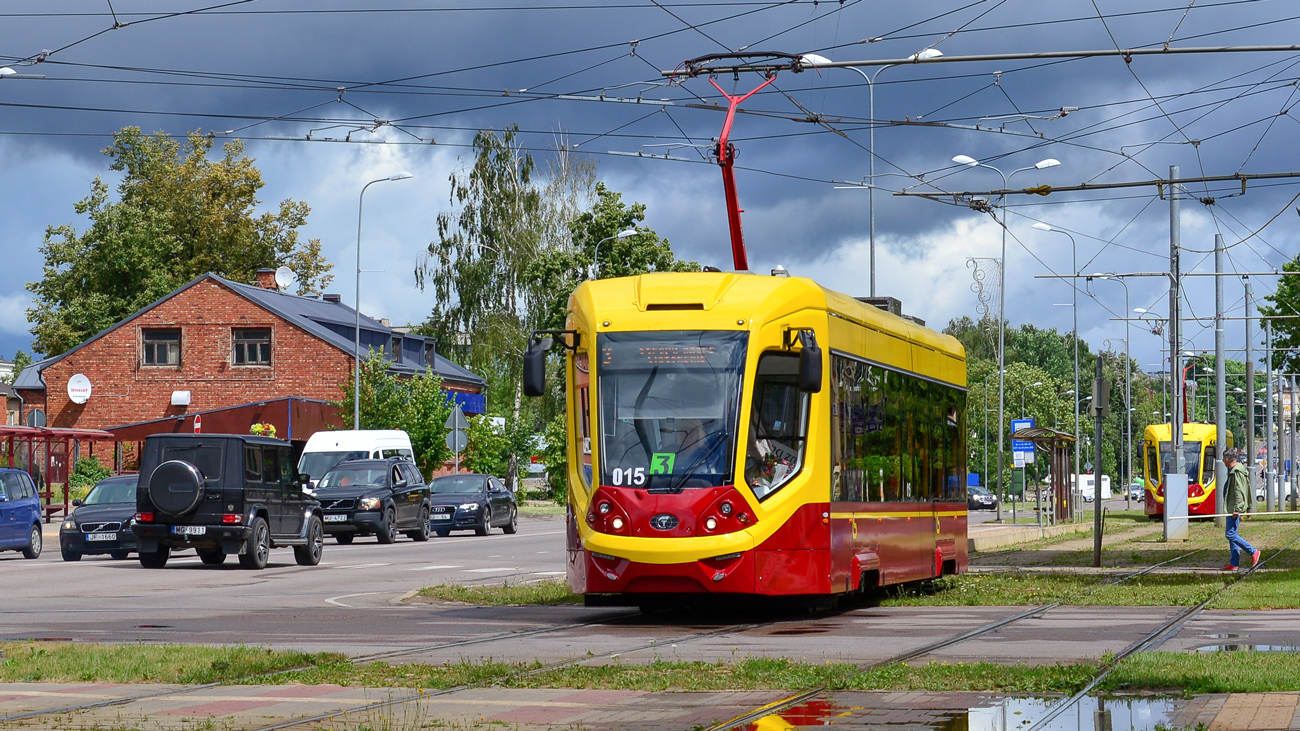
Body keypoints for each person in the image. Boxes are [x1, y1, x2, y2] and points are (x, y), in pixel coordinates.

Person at [1222, 448, 1261, 571]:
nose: (1223, 461)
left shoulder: (1236, 472)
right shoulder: (1235, 470)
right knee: (1232, 534)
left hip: (1234, 508)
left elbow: (1239, 491)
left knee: (1230, 534)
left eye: (1223, 459)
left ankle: (1253, 552)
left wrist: (1237, 509)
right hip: (1232, 507)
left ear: (1227, 459)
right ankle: (1234, 563)